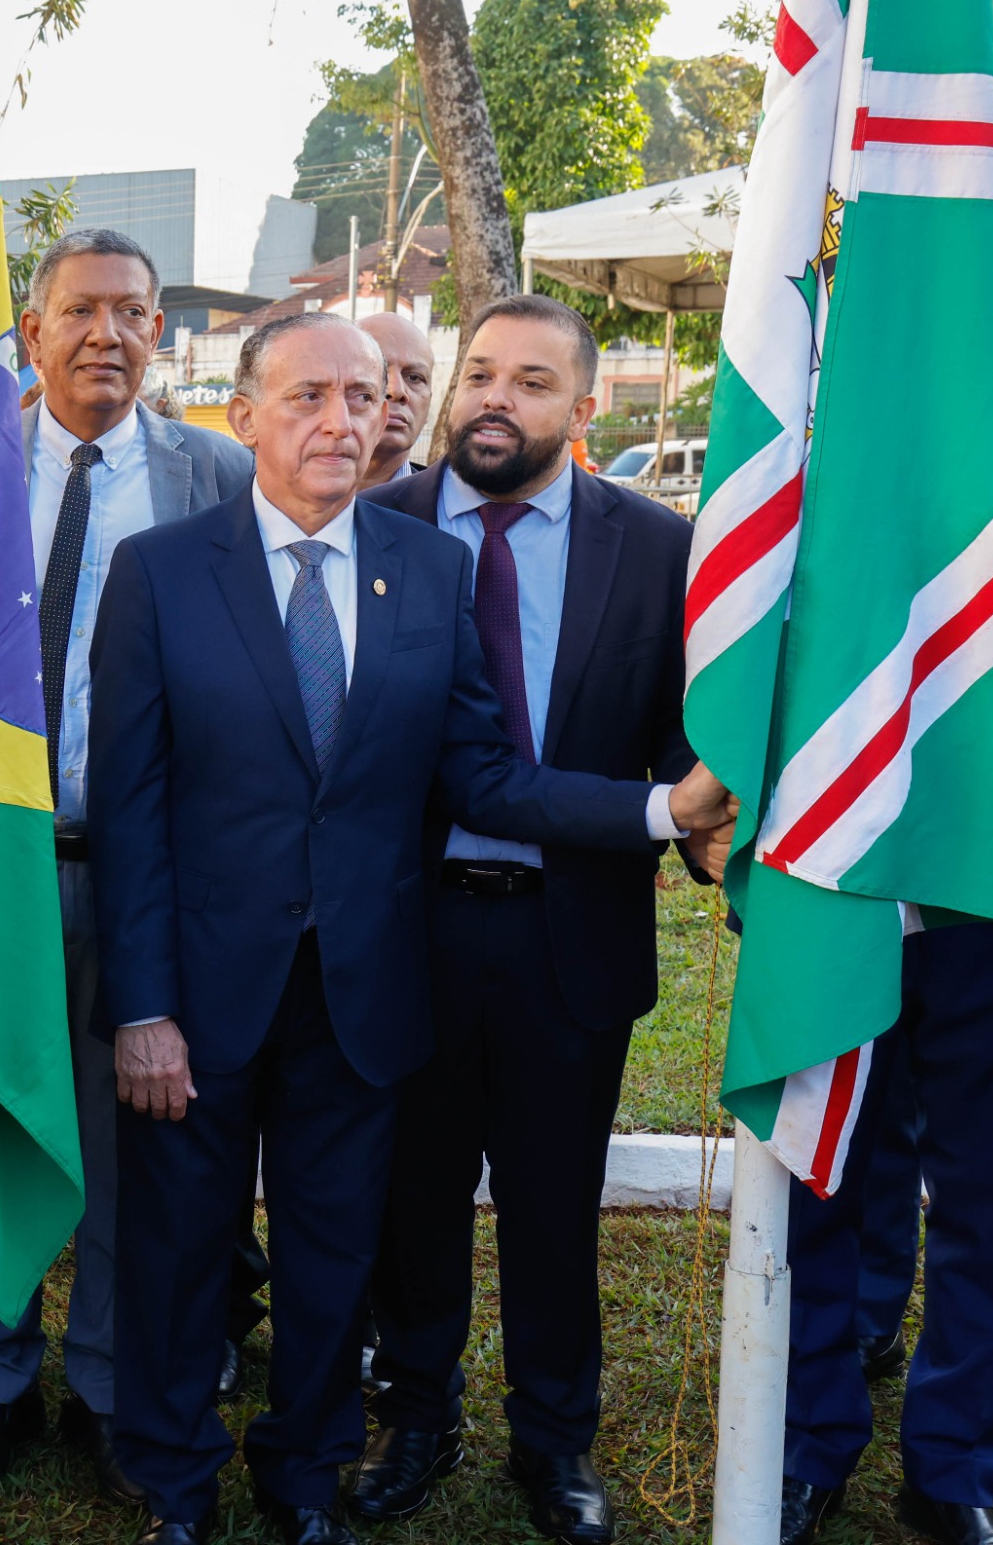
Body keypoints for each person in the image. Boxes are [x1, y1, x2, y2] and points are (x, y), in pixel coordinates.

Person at [86, 311, 732, 1545]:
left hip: (367, 992)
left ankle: (305, 1475)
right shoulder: (161, 573)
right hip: (200, 994)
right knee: (180, 1255)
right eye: (308, 397)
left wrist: (661, 808)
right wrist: (142, 1008)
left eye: (364, 397)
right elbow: (130, 810)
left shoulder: (424, 571)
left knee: (335, 1258)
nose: (341, 421)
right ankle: (173, 1482)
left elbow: (481, 774)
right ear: (246, 415)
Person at [352, 295, 702, 1543]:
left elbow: (682, 717)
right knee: (415, 1195)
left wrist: (693, 798)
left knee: (555, 1207)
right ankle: (415, 1413)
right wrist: (663, 808)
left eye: (532, 382)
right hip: (407, 926)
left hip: (570, 935)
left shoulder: (657, 547)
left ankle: (554, 1442)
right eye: (479, 374)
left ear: (585, 406)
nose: (496, 399)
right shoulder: (376, 528)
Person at [0, 227, 255, 1502]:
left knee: (133, 1139)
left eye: (130, 312)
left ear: (159, 332)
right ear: (32, 326)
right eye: (78, 311)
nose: (104, 334)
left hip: (145, 873)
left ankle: (114, 1386)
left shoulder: (213, 474)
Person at [776, 212, 993, 1545]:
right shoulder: (819, 465)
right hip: (838, 885)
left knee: (984, 1193)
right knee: (828, 1172)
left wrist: (913, 691)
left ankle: (948, 1471)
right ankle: (807, 1443)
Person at [355, 310, 435, 490]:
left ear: (429, 401)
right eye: (379, 372)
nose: (396, 390)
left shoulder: (447, 512)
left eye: (414, 378)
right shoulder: (282, 505)